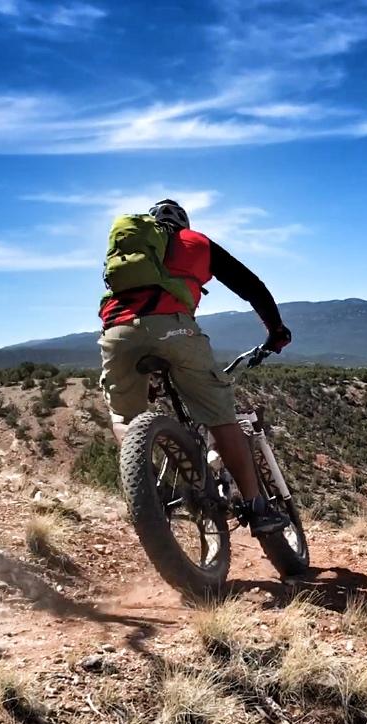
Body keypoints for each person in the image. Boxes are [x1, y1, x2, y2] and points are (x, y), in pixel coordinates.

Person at [98, 199, 293, 535]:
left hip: (117, 332)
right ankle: (256, 508)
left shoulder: (130, 249)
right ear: (182, 223)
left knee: (123, 418)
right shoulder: (195, 242)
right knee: (220, 418)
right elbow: (252, 287)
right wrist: (276, 331)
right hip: (175, 330)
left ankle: (144, 488)